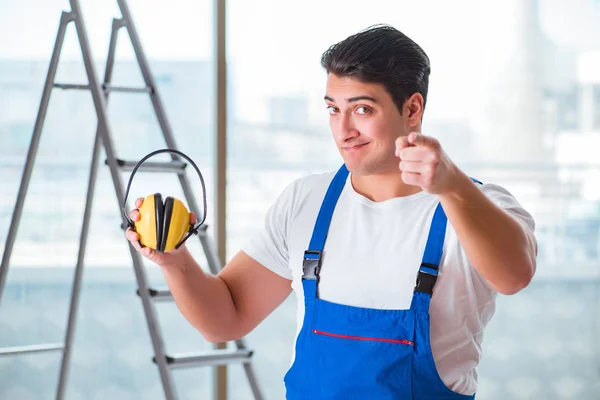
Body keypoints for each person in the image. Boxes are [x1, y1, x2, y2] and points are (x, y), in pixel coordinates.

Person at [126, 24, 537, 399]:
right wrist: (175, 261)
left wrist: (452, 186)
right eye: (333, 109)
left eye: (362, 109)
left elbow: (514, 275)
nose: (343, 131)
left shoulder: (474, 205)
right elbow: (225, 319)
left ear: (412, 109)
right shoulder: (306, 200)